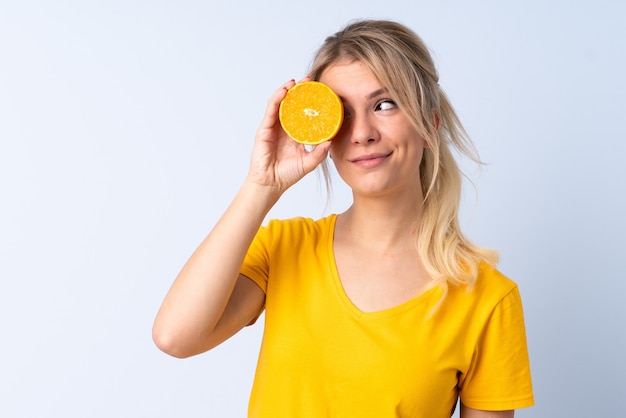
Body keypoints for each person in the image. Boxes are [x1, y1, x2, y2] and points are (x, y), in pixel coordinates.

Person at [153, 19, 534, 418]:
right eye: (342, 112)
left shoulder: (487, 297)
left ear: (430, 124)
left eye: (385, 104)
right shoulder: (285, 247)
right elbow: (175, 337)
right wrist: (261, 185)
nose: (362, 132)